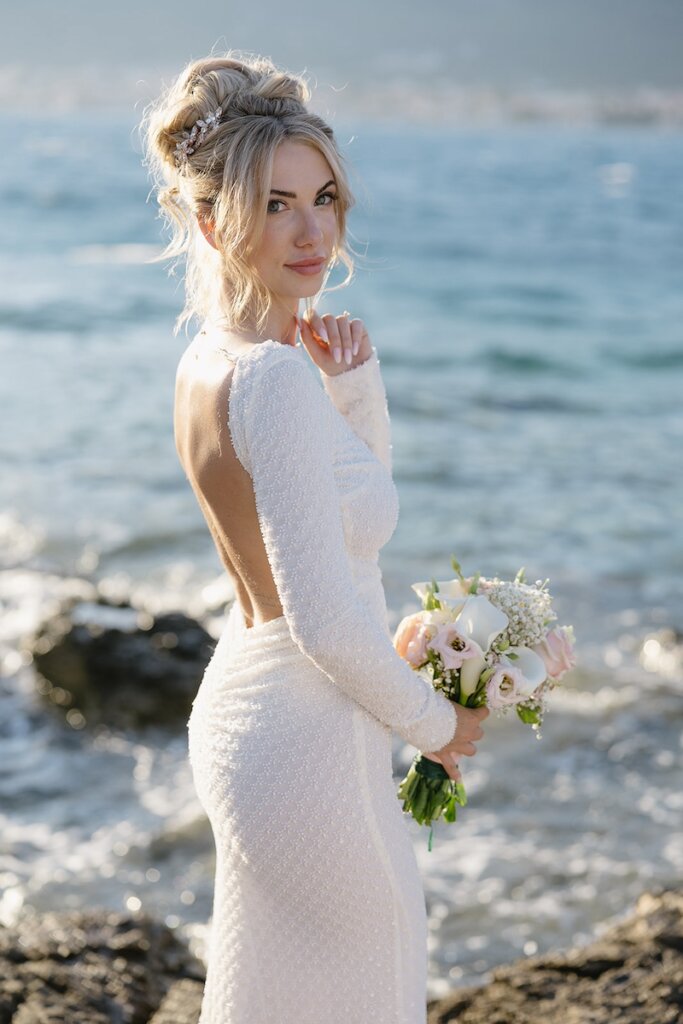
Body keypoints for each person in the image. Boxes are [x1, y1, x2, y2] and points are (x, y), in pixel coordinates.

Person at [140, 50, 488, 1024]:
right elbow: (331, 617)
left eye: (323, 197)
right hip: (307, 736)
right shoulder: (272, 380)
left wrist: (352, 386)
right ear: (210, 221)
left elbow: (346, 526)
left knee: (269, 998)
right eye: (276, 203)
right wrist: (437, 724)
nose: (312, 229)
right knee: (372, 995)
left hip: (245, 719)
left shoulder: (211, 364)